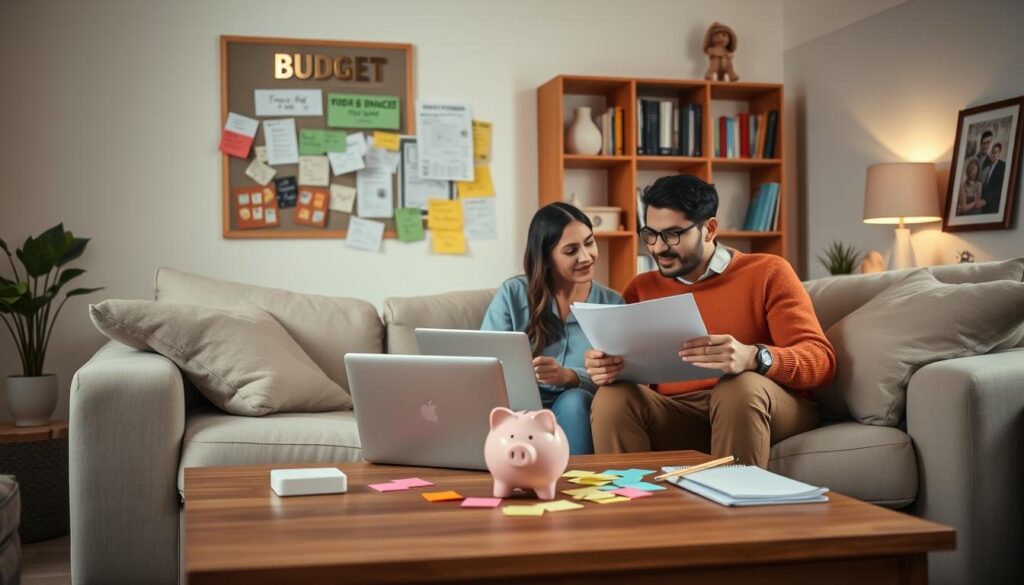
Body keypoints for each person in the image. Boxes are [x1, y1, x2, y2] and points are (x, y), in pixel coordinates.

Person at [585, 174, 835, 468]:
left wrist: (755, 357)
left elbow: (822, 361)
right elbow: (628, 370)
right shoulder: (641, 288)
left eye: (673, 234)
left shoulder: (768, 272)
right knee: (612, 397)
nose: (658, 247)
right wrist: (604, 367)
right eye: (650, 234)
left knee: (736, 387)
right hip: (680, 412)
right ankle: (635, 507)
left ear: (709, 229)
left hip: (764, 404)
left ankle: (736, 506)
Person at [482, 202, 624, 454]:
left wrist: (570, 377)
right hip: (517, 410)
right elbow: (484, 361)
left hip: (577, 409)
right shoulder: (513, 294)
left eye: (589, 242)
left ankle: (577, 484)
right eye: (571, 250)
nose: (586, 256)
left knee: (574, 400)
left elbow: (622, 376)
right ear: (546, 257)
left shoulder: (612, 303)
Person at [980, 142, 1006, 215]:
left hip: (994, 207)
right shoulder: (986, 166)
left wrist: (986, 200)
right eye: (991, 153)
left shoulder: (1003, 166)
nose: (993, 155)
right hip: (984, 206)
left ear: (999, 153)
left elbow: (1000, 189)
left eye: (995, 152)